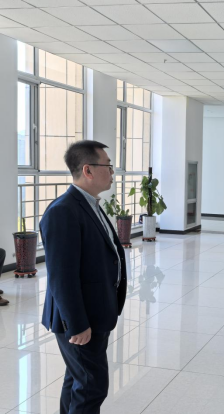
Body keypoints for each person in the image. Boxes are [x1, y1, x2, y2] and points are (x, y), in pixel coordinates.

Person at [40, 141, 127, 414]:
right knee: (92, 386)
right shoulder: (63, 211)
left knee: (79, 379)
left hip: (95, 312)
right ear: (88, 170)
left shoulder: (90, 204)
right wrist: (76, 324)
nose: (112, 172)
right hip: (80, 320)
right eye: (108, 166)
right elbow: (61, 277)